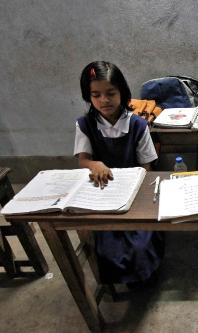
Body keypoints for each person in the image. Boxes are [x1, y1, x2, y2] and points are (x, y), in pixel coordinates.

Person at [74, 61, 164, 287]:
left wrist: (130, 184)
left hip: (136, 193)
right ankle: (122, 278)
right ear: (88, 97)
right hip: (103, 194)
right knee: (108, 245)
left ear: (122, 92)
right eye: (96, 95)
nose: (104, 100)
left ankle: (145, 276)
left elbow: (147, 168)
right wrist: (95, 165)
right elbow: (83, 160)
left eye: (110, 93)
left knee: (140, 244)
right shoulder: (85, 125)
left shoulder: (137, 125)